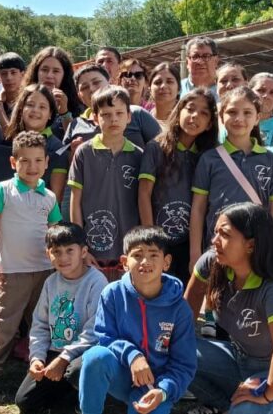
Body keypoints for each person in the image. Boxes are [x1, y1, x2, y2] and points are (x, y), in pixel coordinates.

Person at [185, 203, 273, 414]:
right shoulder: (212, 262)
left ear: (251, 245)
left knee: (246, 410)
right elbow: (187, 307)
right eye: (216, 232)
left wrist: (267, 394)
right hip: (241, 359)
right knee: (175, 354)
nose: (214, 240)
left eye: (224, 235)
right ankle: (229, 406)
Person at [0, 131, 63, 405]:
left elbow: (55, 233)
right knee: (2, 326)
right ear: (13, 162)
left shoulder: (49, 197)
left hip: (45, 274)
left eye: (38, 160)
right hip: (11, 272)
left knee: (45, 325)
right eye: (25, 160)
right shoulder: (3, 190)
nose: (32, 166)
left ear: (47, 162)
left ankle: (47, 376)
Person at [78, 226, 196, 414]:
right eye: (137, 255)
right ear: (125, 262)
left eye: (153, 255)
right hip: (122, 374)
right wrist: (133, 355)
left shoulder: (180, 308)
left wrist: (164, 390)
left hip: (156, 385)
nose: (145, 261)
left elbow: (184, 364)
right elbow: (106, 338)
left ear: (166, 262)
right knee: (95, 357)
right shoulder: (112, 294)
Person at [14, 222, 108, 414]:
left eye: (69, 250)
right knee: (25, 401)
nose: (63, 258)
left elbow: (94, 331)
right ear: (48, 254)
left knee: (75, 373)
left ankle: (84, 399)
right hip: (54, 351)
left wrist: (64, 359)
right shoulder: (51, 282)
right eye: (56, 252)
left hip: (84, 354)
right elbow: (40, 324)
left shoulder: (97, 282)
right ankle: (64, 392)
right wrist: (37, 358)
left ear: (83, 252)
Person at [189, 86, 273, 268]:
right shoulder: (209, 159)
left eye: (247, 113)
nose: (239, 118)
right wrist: (195, 253)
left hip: (257, 248)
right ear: (221, 117)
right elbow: (198, 208)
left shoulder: (269, 159)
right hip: (217, 247)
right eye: (232, 112)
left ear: (257, 118)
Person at [138, 88, 219, 283]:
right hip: (161, 238)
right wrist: (151, 238)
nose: (194, 116)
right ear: (178, 111)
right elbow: (144, 193)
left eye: (203, 113)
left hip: (194, 241)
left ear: (210, 124)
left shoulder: (210, 155)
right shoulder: (156, 147)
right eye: (190, 109)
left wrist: (195, 252)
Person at [68, 86, 143, 281]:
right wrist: (80, 246)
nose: (113, 119)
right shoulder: (84, 153)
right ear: (95, 118)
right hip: (93, 252)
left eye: (119, 113)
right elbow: (75, 202)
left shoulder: (139, 155)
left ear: (129, 116)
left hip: (130, 250)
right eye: (106, 114)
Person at [63, 64, 162, 150]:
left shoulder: (137, 114)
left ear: (110, 83)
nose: (91, 89)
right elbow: (66, 161)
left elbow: (163, 150)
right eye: (84, 87)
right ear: (79, 96)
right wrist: (74, 153)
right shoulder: (75, 125)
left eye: (96, 82)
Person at [3, 84, 67, 203]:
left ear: (50, 114)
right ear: (21, 108)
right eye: (30, 105)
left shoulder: (57, 149)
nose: (35, 110)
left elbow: (56, 198)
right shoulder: (8, 140)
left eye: (42, 107)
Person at [23, 47, 82, 137]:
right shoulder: (24, 99)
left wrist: (64, 112)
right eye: (44, 70)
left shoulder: (76, 103)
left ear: (64, 75)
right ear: (36, 72)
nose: (49, 75)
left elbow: (75, 139)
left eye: (56, 71)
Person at [249, 72, 273, 167]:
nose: (266, 95)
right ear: (249, 93)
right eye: (261, 90)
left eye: (272, 93)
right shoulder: (240, 123)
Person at [0, 52, 27, 127]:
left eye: (13, 72)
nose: (9, 78)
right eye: (4, 73)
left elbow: (9, 132)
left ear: (22, 75)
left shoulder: (29, 102)